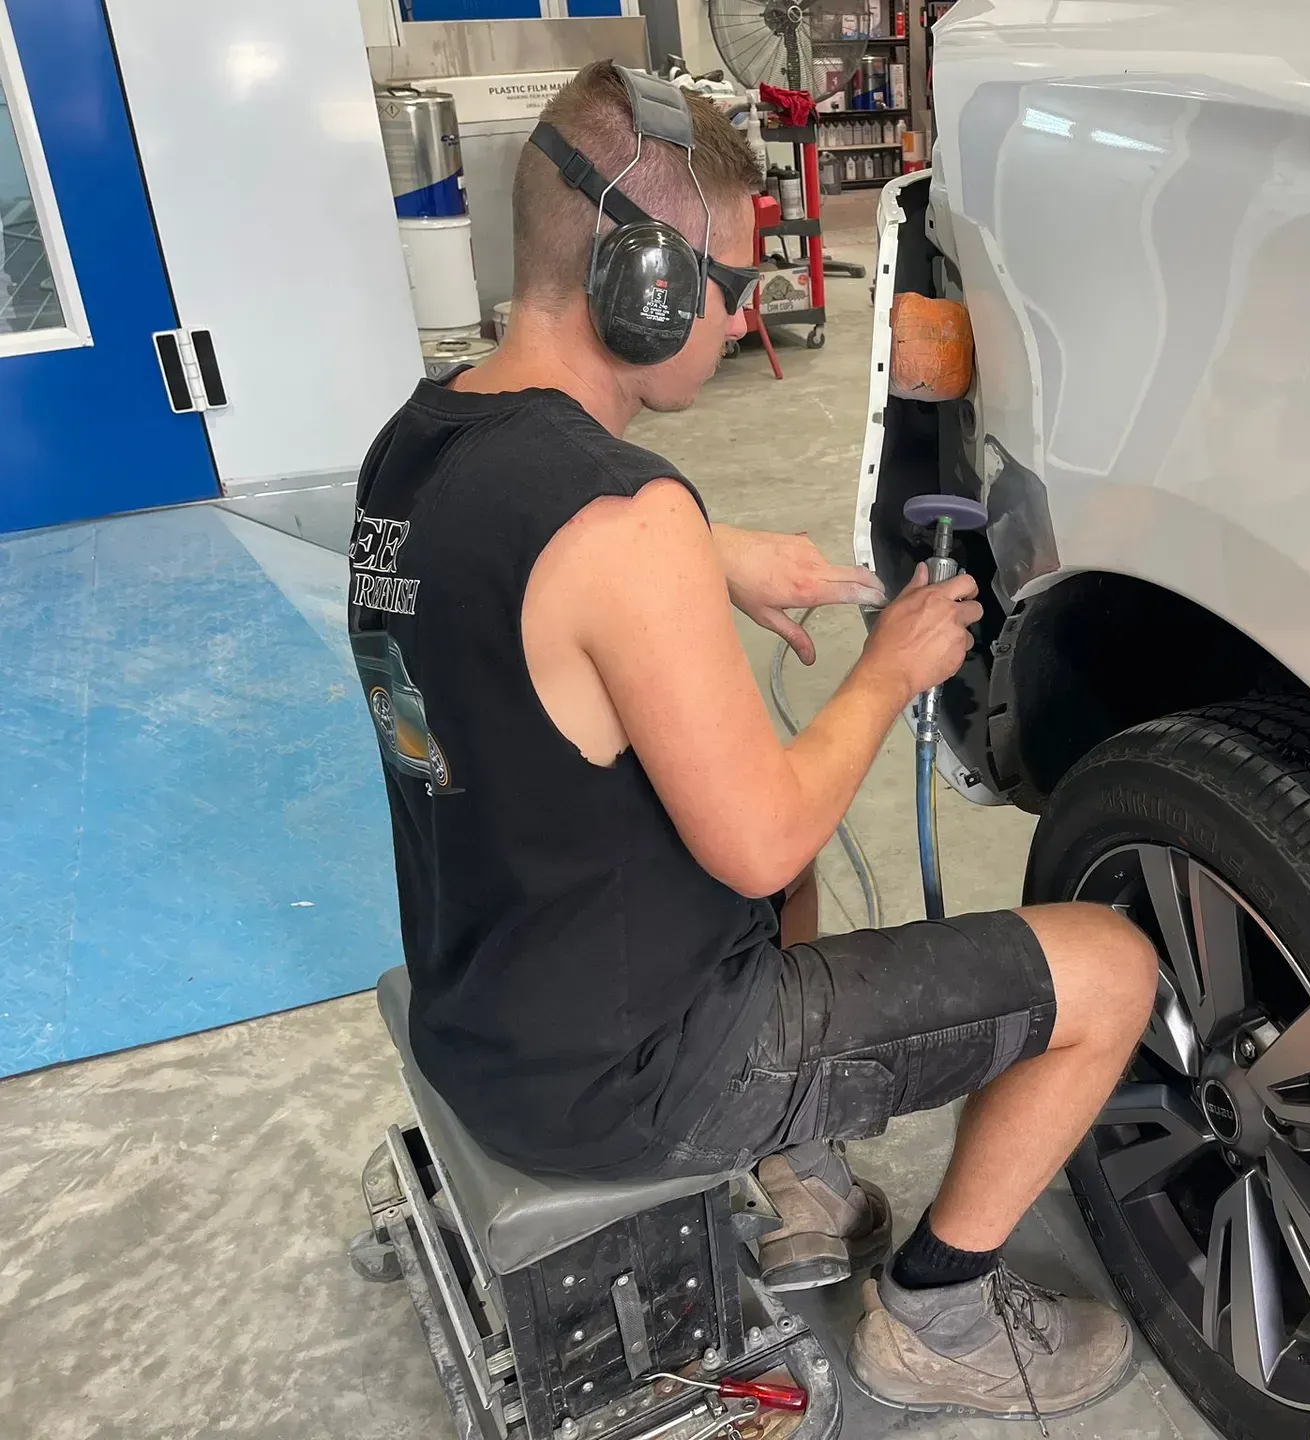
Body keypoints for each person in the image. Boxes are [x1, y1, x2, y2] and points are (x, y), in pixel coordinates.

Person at [347, 61, 1156, 1422]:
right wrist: (888, 672)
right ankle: (939, 1314)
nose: (740, 315)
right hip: (632, 1079)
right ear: (640, 282)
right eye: (728, 282)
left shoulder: (413, 450)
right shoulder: (623, 519)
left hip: (483, 1010)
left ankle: (806, 1170)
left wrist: (712, 561)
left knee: (756, 835)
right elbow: (770, 826)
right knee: (1110, 968)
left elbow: (529, 571)